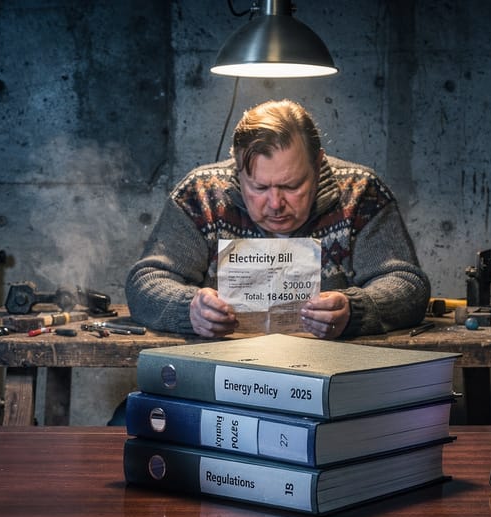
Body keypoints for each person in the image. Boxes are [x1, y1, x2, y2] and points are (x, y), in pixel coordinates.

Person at [125, 98, 430, 339]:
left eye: (291, 185)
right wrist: (189, 309)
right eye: (259, 187)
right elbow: (146, 283)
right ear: (237, 167)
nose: (275, 204)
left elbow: (407, 286)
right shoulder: (201, 195)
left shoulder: (360, 192)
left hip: (333, 372)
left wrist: (354, 310)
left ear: (318, 162)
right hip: (225, 373)